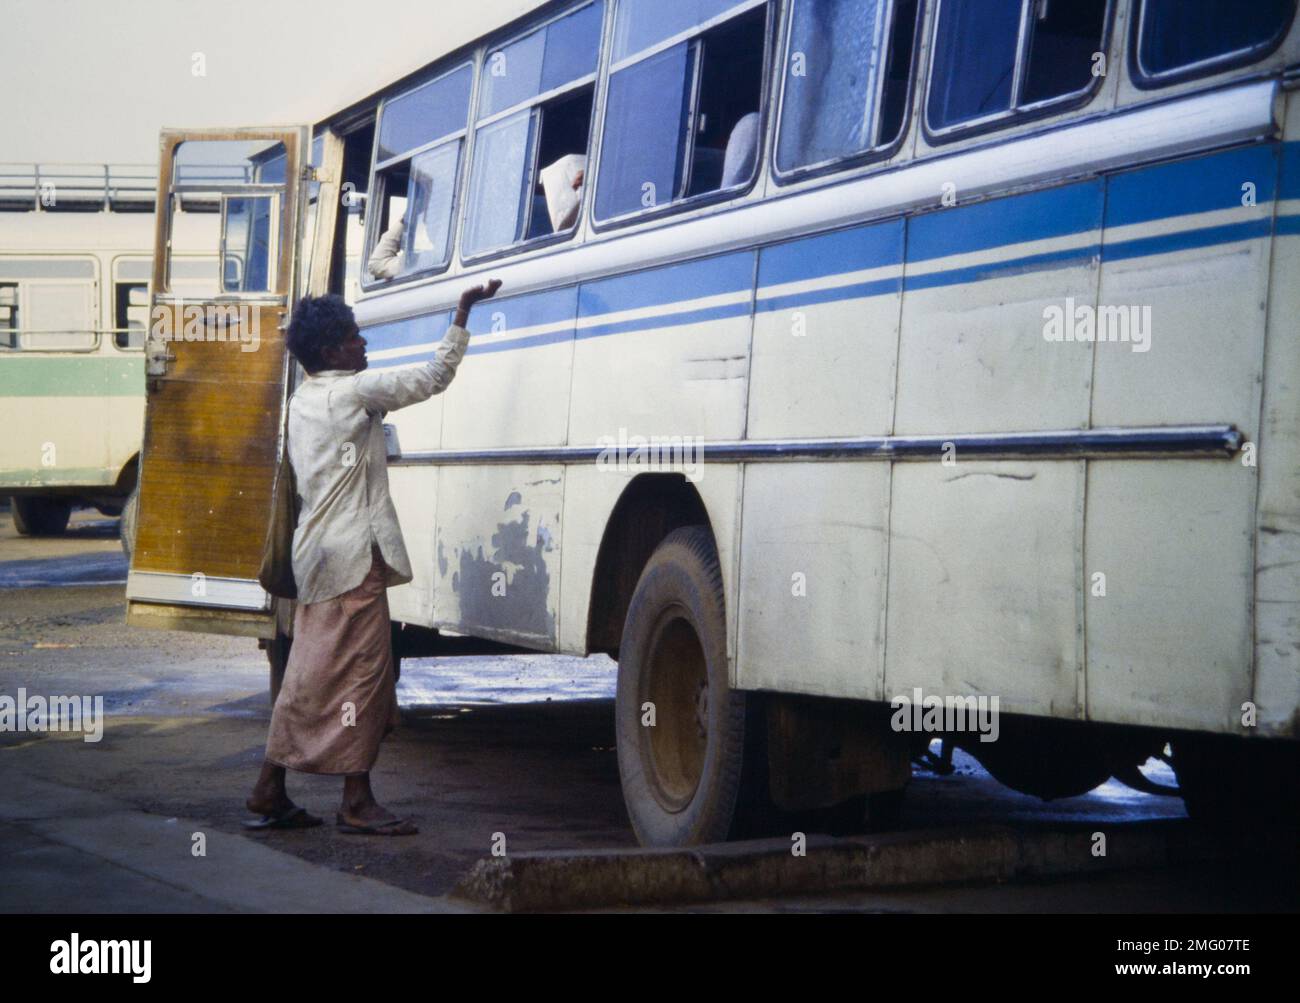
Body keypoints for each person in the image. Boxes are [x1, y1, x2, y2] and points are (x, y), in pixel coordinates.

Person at [244, 277, 502, 835]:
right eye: (355, 338)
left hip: (316, 559)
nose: (364, 345)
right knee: (360, 678)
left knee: (313, 676)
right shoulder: (354, 392)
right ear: (333, 349)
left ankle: (271, 787)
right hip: (352, 562)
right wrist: (462, 314)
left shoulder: (302, 401)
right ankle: (355, 802)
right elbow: (433, 376)